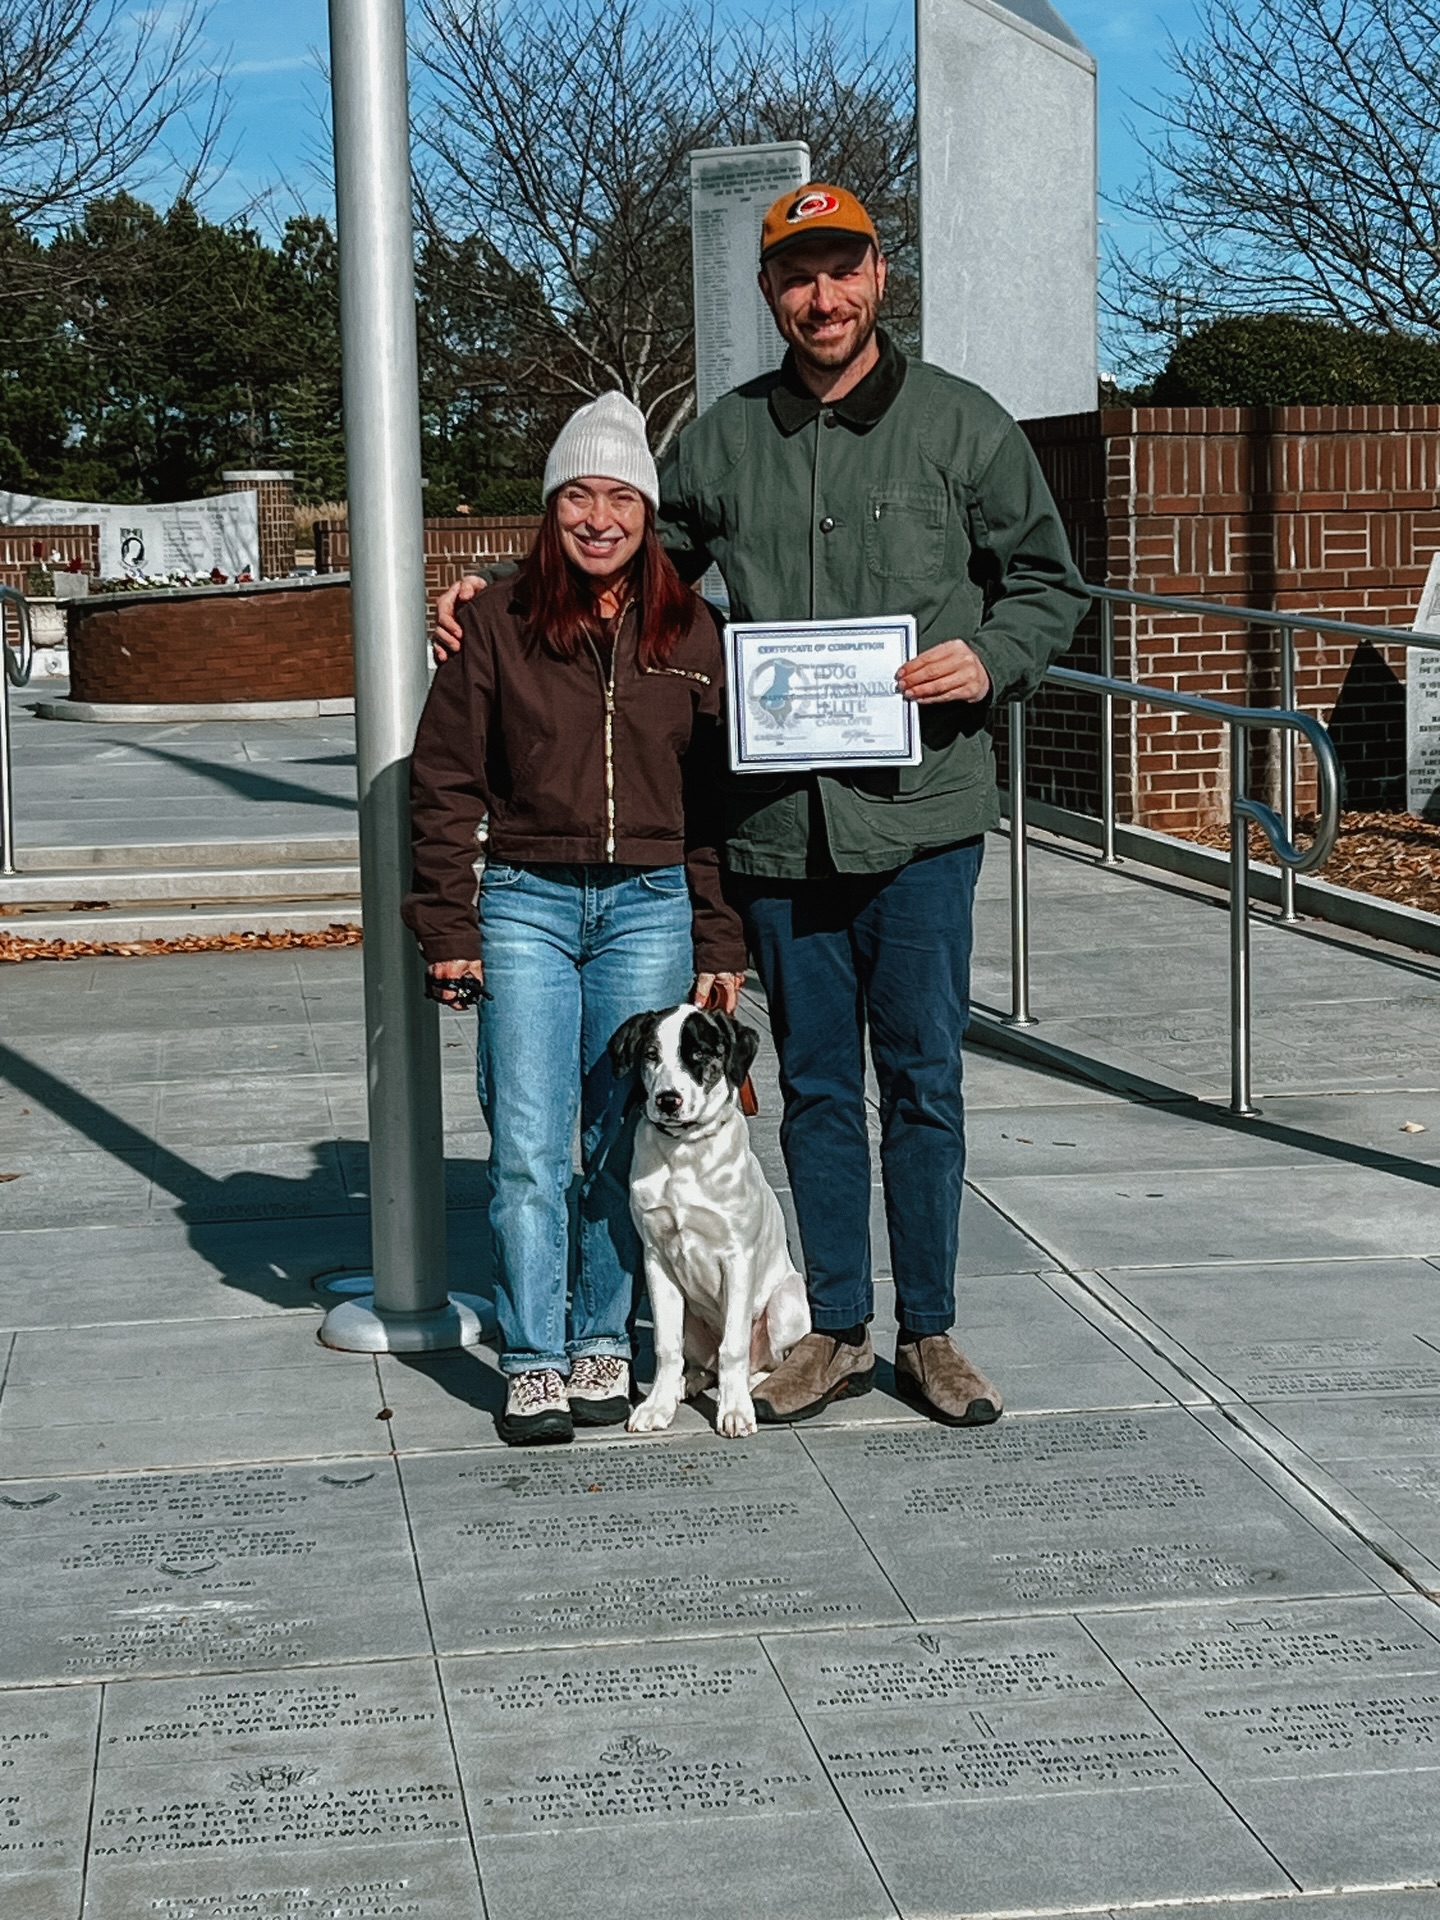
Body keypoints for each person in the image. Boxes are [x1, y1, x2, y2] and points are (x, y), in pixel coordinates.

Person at [433, 183, 1088, 1429]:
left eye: (842, 272)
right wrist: (495, 594)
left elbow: (1049, 584)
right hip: (781, 832)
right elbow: (621, 549)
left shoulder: (961, 426)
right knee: (819, 1092)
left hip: (920, 817)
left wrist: (991, 658)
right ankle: (832, 1329)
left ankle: (931, 1332)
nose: (822, 297)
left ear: (879, 277)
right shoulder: (727, 440)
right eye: (798, 277)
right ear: (770, 294)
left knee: (924, 1081)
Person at [404, 392, 747, 1446]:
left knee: (616, 1137)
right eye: (578, 497)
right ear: (552, 509)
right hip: (526, 905)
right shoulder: (497, 621)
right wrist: (449, 927)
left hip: (647, 907)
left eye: (621, 498)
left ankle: (604, 1339)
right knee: (528, 1144)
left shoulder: (693, 628)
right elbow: (445, 783)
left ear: (647, 512)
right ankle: (534, 1358)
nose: (600, 518)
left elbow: (718, 804)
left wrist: (719, 941)